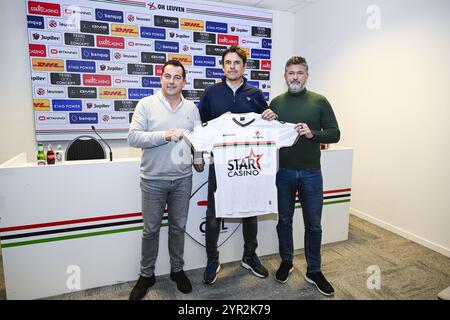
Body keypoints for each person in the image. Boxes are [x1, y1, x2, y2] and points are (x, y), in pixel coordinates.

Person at [198, 45, 277, 284]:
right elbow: (201, 126)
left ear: (244, 66)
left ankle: (249, 256)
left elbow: (268, 125)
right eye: (228, 63)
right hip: (220, 164)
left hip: (249, 165)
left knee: (250, 210)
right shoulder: (211, 92)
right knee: (214, 213)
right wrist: (199, 153)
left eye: (236, 63)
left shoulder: (255, 93)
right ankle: (213, 259)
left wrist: (271, 116)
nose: (232, 66)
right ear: (223, 66)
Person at [127, 60, 202, 300]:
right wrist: (165, 135)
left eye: (177, 77)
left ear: (183, 81)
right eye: (167, 76)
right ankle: (146, 274)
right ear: (161, 78)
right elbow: (134, 137)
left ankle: (177, 270)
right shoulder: (146, 105)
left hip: (182, 179)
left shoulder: (191, 108)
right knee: (150, 230)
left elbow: (197, 138)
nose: (171, 81)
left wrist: (198, 158)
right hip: (153, 180)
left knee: (178, 228)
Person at [269, 56, 340, 296]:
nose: (295, 77)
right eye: (291, 73)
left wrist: (313, 134)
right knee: (285, 221)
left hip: (311, 173)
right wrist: (265, 119)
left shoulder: (319, 101)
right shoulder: (276, 103)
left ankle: (314, 270)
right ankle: (286, 262)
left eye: (299, 73)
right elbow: (268, 137)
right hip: (285, 173)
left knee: (314, 224)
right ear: (285, 76)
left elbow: (335, 134)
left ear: (306, 75)